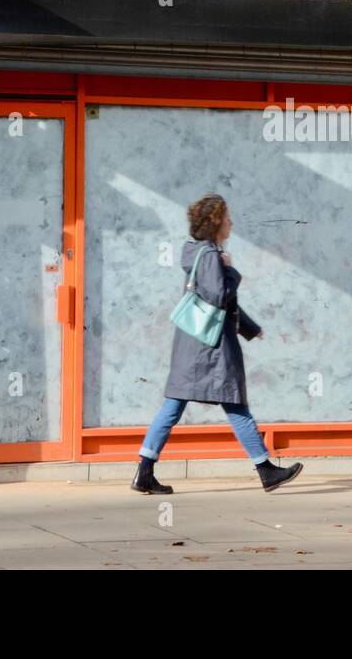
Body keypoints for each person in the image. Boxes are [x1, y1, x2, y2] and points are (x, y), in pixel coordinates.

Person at [132, 193, 303, 495]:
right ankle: (266, 470)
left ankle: (144, 470)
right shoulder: (210, 254)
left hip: (192, 344)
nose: (231, 223)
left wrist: (251, 328)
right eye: (227, 219)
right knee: (235, 403)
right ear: (215, 223)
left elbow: (219, 301)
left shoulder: (196, 251)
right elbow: (218, 297)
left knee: (174, 405)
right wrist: (232, 270)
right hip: (210, 349)